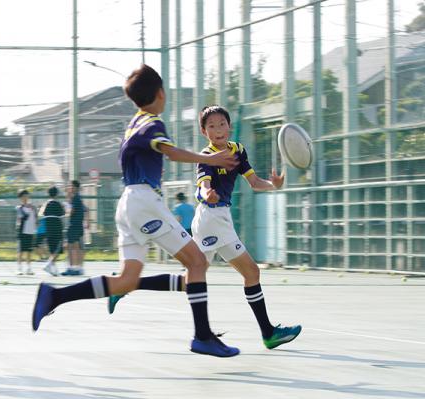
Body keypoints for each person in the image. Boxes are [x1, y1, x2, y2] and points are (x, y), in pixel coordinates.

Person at [32, 64, 240, 357]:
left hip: (128, 202)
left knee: (128, 280)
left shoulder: (134, 122)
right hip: (144, 200)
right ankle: (203, 336)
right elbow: (170, 151)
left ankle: (54, 296)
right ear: (160, 94)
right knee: (197, 263)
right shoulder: (152, 123)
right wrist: (212, 158)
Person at [108, 105, 302, 350]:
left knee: (192, 279)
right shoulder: (207, 157)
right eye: (211, 126)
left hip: (220, 218)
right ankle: (268, 333)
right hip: (211, 219)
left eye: (222, 124)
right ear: (203, 131)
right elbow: (202, 185)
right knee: (248, 272)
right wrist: (206, 193)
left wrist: (274, 185)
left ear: (229, 127)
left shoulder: (238, 151)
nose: (218, 130)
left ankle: (126, 284)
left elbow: (253, 182)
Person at [61, 180, 86, 276]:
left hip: (74, 225)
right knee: (76, 246)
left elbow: (70, 212)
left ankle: (71, 268)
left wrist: (66, 206)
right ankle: (78, 268)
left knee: (70, 247)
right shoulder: (78, 198)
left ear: (75, 188)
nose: (69, 188)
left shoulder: (75, 198)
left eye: (71, 186)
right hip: (78, 225)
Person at [40, 186, 65, 276]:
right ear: (57, 194)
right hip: (57, 229)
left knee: (52, 250)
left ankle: (54, 270)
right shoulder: (58, 204)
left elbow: (42, 214)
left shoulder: (45, 204)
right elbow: (62, 216)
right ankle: (48, 264)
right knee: (58, 250)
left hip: (48, 229)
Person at [16, 189, 36, 275]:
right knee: (20, 251)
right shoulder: (19, 208)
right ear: (20, 198)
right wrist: (28, 208)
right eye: (24, 196)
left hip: (30, 231)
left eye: (27, 196)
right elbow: (23, 217)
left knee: (29, 251)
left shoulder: (32, 207)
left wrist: (32, 208)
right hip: (22, 231)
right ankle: (19, 268)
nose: (26, 198)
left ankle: (29, 268)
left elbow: (35, 218)